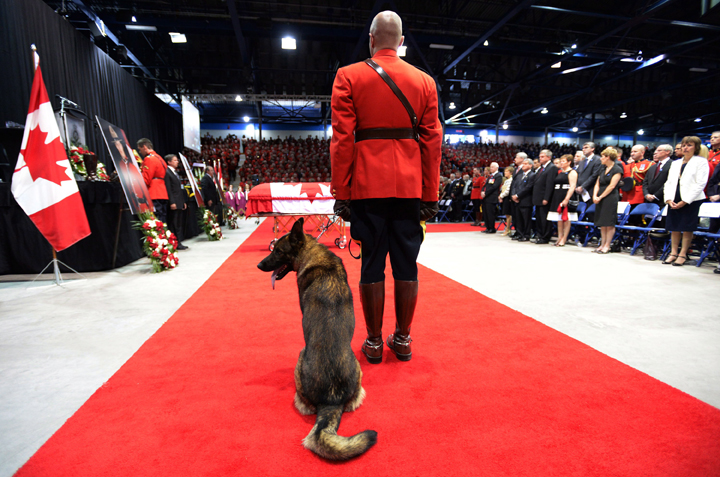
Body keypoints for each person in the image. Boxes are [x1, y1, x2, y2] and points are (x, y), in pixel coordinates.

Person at [330, 11, 442, 364]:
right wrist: (431, 194)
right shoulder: (425, 81)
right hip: (409, 187)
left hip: (366, 185)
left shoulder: (348, 76)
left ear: (372, 39)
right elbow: (433, 141)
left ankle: (375, 343)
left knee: (372, 264)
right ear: (402, 41)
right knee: (407, 264)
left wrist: (341, 191)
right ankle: (404, 339)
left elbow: (342, 139)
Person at [662, 136, 710, 266]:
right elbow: (669, 182)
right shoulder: (675, 163)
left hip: (691, 199)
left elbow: (700, 183)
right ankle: (673, 253)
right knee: (674, 227)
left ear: (696, 147)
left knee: (687, 227)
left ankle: (683, 254)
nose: (685, 148)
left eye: (689, 145)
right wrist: (668, 199)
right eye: (683, 145)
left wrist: (686, 200)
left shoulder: (701, 162)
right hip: (674, 197)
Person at [592, 148, 623, 254]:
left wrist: (600, 197)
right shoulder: (602, 169)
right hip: (600, 196)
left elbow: (612, 186)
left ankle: (607, 245)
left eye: (603, 157)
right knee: (602, 222)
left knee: (609, 222)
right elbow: (597, 183)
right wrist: (595, 195)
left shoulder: (617, 169)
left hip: (610, 197)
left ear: (608, 157)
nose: (601, 159)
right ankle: (602, 244)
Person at [547, 154, 578, 246]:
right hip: (557, 195)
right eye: (561, 161)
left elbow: (572, 187)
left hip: (566, 195)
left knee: (566, 218)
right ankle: (559, 237)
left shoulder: (572, 172)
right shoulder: (560, 172)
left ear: (569, 162)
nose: (561, 163)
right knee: (559, 219)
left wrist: (566, 199)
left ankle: (564, 238)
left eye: (563, 161)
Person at [138, 138, 169, 223]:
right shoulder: (160, 158)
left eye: (140, 150)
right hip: (162, 192)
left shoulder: (149, 159)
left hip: (153, 193)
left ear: (144, 147)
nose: (140, 152)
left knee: (156, 221)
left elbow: (146, 179)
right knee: (162, 219)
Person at [531, 149, 558, 244]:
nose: (540, 158)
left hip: (544, 198)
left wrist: (546, 198)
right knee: (539, 218)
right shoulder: (542, 168)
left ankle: (545, 237)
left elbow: (549, 184)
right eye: (540, 156)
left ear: (549, 157)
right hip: (538, 198)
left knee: (544, 219)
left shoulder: (552, 168)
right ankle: (540, 235)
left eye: (542, 157)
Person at [164, 154, 189, 250]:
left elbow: (179, 189)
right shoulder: (167, 172)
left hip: (179, 201)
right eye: (174, 160)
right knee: (174, 224)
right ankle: (175, 243)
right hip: (174, 202)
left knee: (178, 223)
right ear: (169, 162)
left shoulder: (175, 173)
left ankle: (178, 241)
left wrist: (183, 201)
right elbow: (169, 189)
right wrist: (172, 202)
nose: (177, 162)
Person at [511, 158, 536, 242]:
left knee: (526, 219)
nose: (523, 165)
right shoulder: (519, 175)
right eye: (523, 164)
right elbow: (514, 186)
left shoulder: (532, 175)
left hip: (526, 200)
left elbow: (528, 188)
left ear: (530, 165)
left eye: (525, 164)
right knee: (518, 219)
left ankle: (526, 234)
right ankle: (519, 234)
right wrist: (513, 195)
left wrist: (518, 195)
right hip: (517, 200)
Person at [481, 162, 502, 233]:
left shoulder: (498, 176)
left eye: (492, 167)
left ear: (496, 168)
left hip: (492, 197)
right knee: (486, 213)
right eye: (490, 167)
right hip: (486, 197)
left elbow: (494, 186)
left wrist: (485, 193)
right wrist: (482, 191)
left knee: (490, 213)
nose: (491, 168)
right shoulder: (490, 176)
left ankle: (492, 228)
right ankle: (487, 227)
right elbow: (485, 185)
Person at [498, 166, 514, 235]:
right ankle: (507, 228)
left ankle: (508, 229)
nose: (505, 173)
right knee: (507, 214)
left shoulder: (511, 180)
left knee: (508, 214)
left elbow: (507, 190)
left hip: (508, 198)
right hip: (504, 198)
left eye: (506, 171)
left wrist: (501, 196)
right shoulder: (507, 180)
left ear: (510, 172)